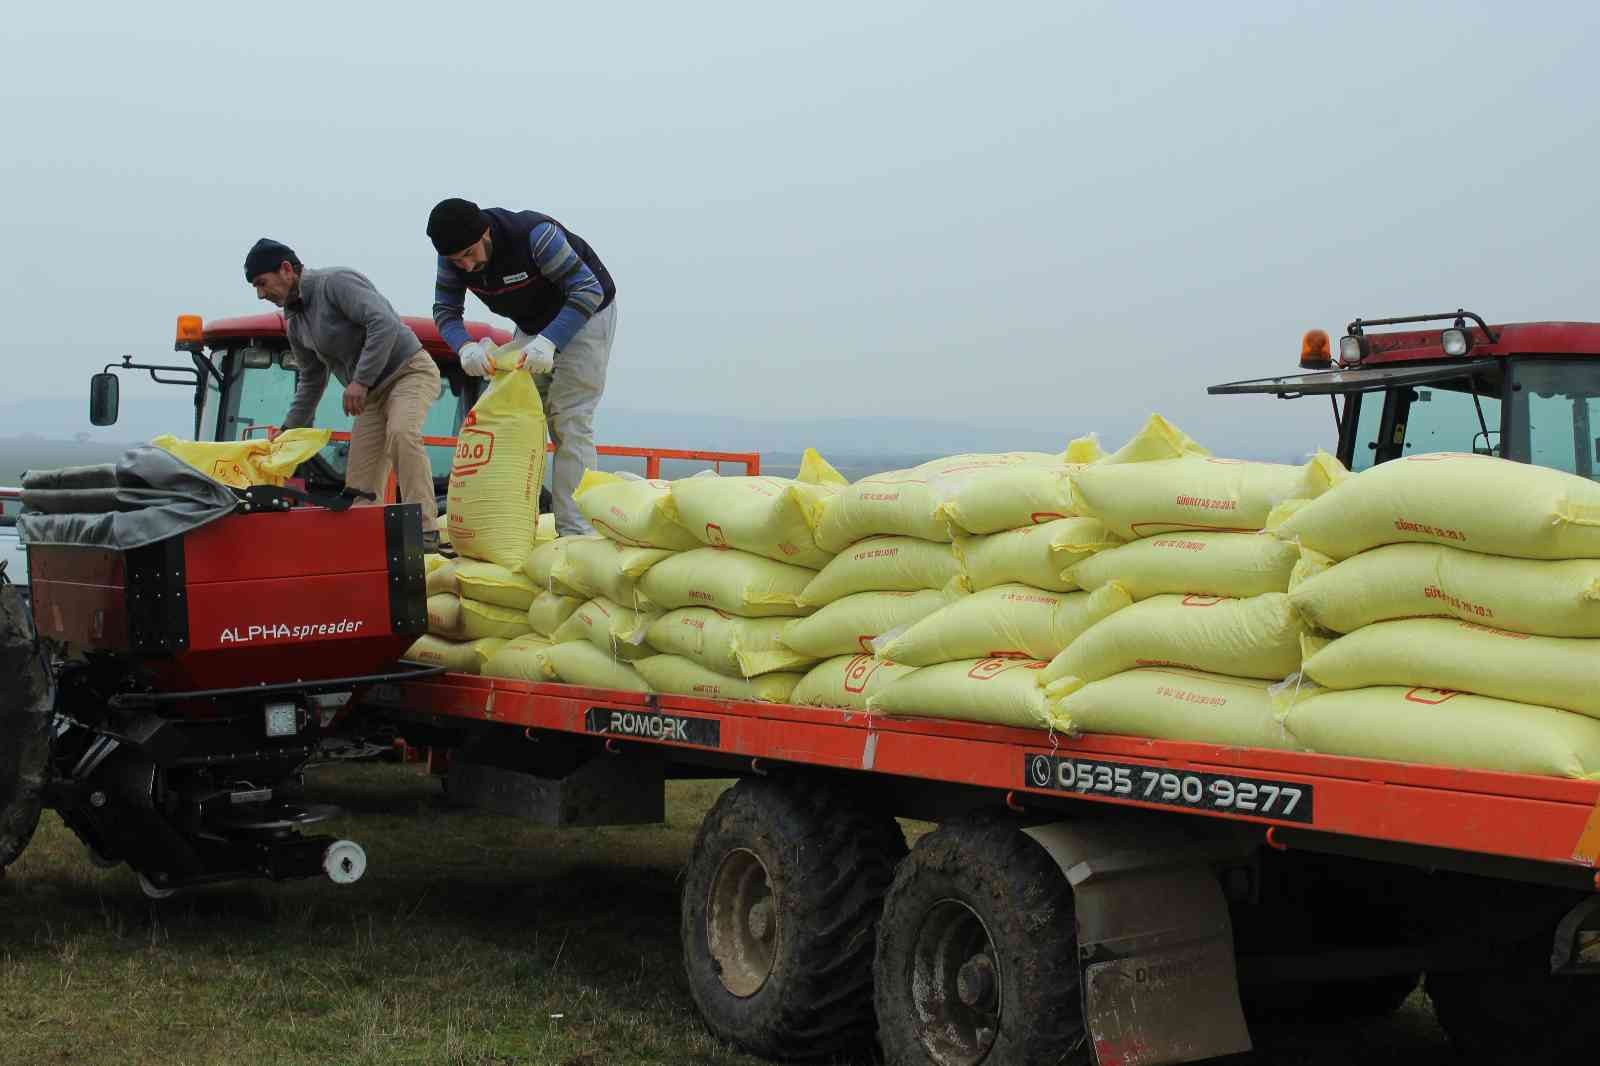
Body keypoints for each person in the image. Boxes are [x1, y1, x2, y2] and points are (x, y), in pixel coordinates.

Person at [426, 199, 617, 536]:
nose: (467, 266)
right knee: (519, 414)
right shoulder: (452, 259)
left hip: (586, 313)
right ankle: (510, 523)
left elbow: (588, 290)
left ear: (486, 232)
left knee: (568, 418)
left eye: (470, 254)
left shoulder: (535, 236)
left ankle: (576, 531)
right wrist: (465, 346)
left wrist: (550, 342)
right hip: (532, 322)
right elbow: (445, 310)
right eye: (458, 260)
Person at [244, 238, 444, 550]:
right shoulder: (295, 323)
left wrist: (360, 381)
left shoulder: (334, 283)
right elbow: (311, 379)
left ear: (286, 269)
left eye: (261, 283)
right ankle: (367, 547)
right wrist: (288, 431)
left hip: (408, 371)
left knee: (402, 432)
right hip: (372, 397)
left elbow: (385, 323)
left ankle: (425, 531)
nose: (260, 294)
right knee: (359, 482)